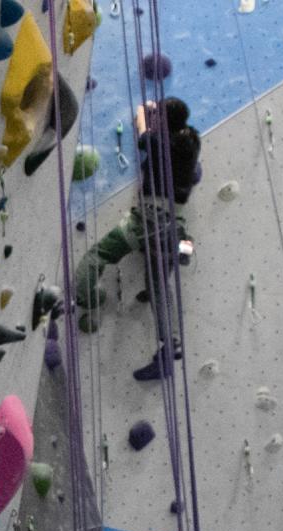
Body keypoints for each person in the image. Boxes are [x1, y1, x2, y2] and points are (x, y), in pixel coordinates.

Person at [72, 96, 202, 382]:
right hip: (173, 222)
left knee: (97, 256)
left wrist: (147, 110)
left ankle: (88, 298)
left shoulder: (158, 143)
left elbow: (142, 126)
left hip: (146, 220)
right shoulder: (192, 139)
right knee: (158, 284)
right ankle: (170, 341)